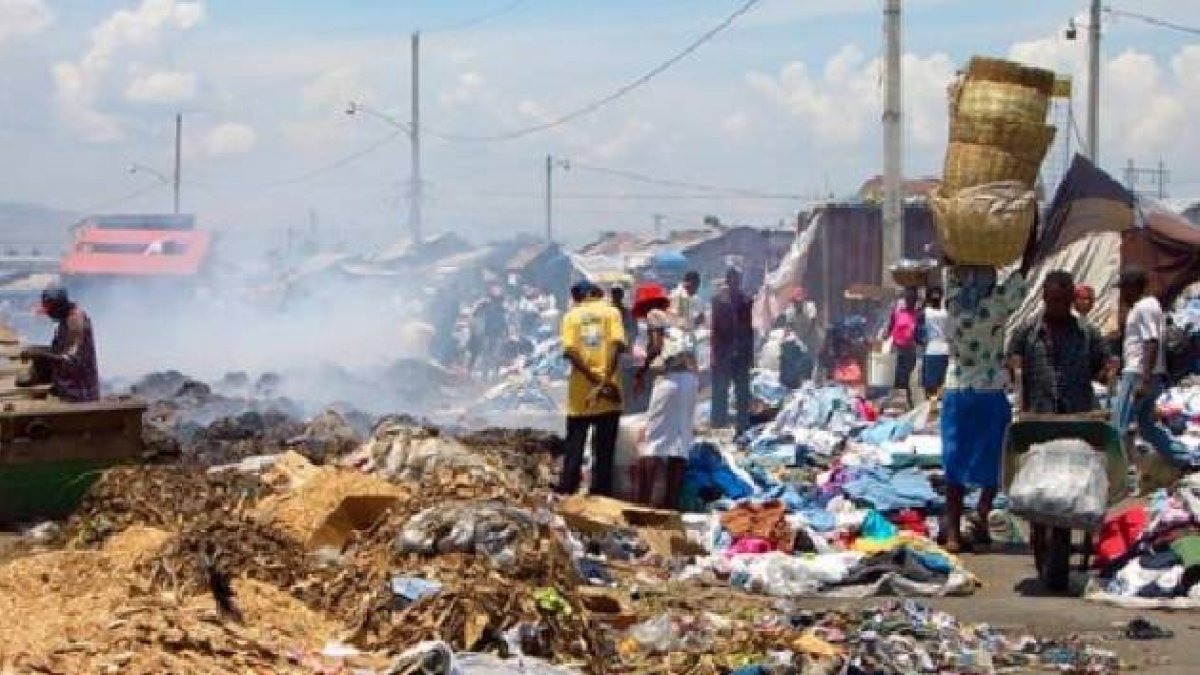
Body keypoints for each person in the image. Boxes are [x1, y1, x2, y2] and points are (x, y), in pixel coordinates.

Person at [940, 265, 1026, 553]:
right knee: (994, 458)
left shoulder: (953, 302)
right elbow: (1022, 274)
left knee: (955, 460)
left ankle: (954, 531)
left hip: (958, 390)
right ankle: (981, 514)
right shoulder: (1000, 303)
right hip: (990, 392)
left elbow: (949, 265)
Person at [1112, 267, 1195, 469]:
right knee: (1147, 427)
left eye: (1123, 289)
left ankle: (1120, 473)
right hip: (1149, 374)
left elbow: (1151, 341)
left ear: (1133, 287)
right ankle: (1185, 460)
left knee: (1118, 427)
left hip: (1138, 373)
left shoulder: (1145, 307)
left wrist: (1144, 379)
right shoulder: (1144, 308)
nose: (1121, 294)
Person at [557, 280, 627, 497]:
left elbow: (570, 351)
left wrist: (592, 378)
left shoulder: (571, 316)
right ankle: (602, 494)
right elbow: (617, 346)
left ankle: (568, 491)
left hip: (581, 395)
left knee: (574, 448)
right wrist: (605, 380)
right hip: (609, 392)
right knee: (605, 451)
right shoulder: (612, 313)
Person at [632, 283, 698, 509]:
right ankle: (671, 504)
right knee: (680, 443)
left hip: (669, 379)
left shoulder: (654, 314)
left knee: (654, 441)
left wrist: (641, 373)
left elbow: (656, 347)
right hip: (690, 380)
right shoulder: (680, 318)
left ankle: (644, 504)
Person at [1008, 271, 1108, 415]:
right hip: (1038, 417)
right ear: (1045, 297)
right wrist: (1014, 367)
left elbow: (1100, 371)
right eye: (1055, 300)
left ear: (1072, 300)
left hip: (1079, 417)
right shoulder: (1026, 333)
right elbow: (1013, 367)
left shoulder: (1088, 334)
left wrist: (1108, 370)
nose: (1060, 306)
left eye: (1065, 301)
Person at [19, 287, 99, 402]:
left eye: (50, 312)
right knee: (35, 354)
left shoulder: (75, 322)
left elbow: (71, 361)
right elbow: (58, 350)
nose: (48, 315)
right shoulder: (64, 318)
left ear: (59, 307)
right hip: (65, 385)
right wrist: (35, 351)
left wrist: (40, 354)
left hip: (79, 394)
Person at [710, 266, 754, 433]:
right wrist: (714, 353)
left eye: (738, 280)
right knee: (721, 388)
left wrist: (750, 355)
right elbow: (715, 328)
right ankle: (718, 423)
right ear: (728, 281)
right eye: (733, 279)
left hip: (741, 352)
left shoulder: (746, 300)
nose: (735, 283)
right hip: (724, 351)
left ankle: (742, 424)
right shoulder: (718, 301)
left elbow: (749, 329)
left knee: (742, 390)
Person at [880, 286, 924, 400]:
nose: (910, 301)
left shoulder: (918, 314)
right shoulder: (898, 311)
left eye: (912, 299)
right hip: (897, 347)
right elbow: (890, 326)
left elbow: (919, 332)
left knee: (906, 376)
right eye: (908, 299)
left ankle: (905, 399)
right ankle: (898, 399)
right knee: (897, 375)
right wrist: (885, 335)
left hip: (910, 349)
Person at [920, 287, 950, 398]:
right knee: (943, 385)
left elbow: (918, 332)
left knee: (930, 388)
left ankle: (931, 407)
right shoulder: (947, 313)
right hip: (945, 350)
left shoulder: (925, 312)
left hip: (931, 350)